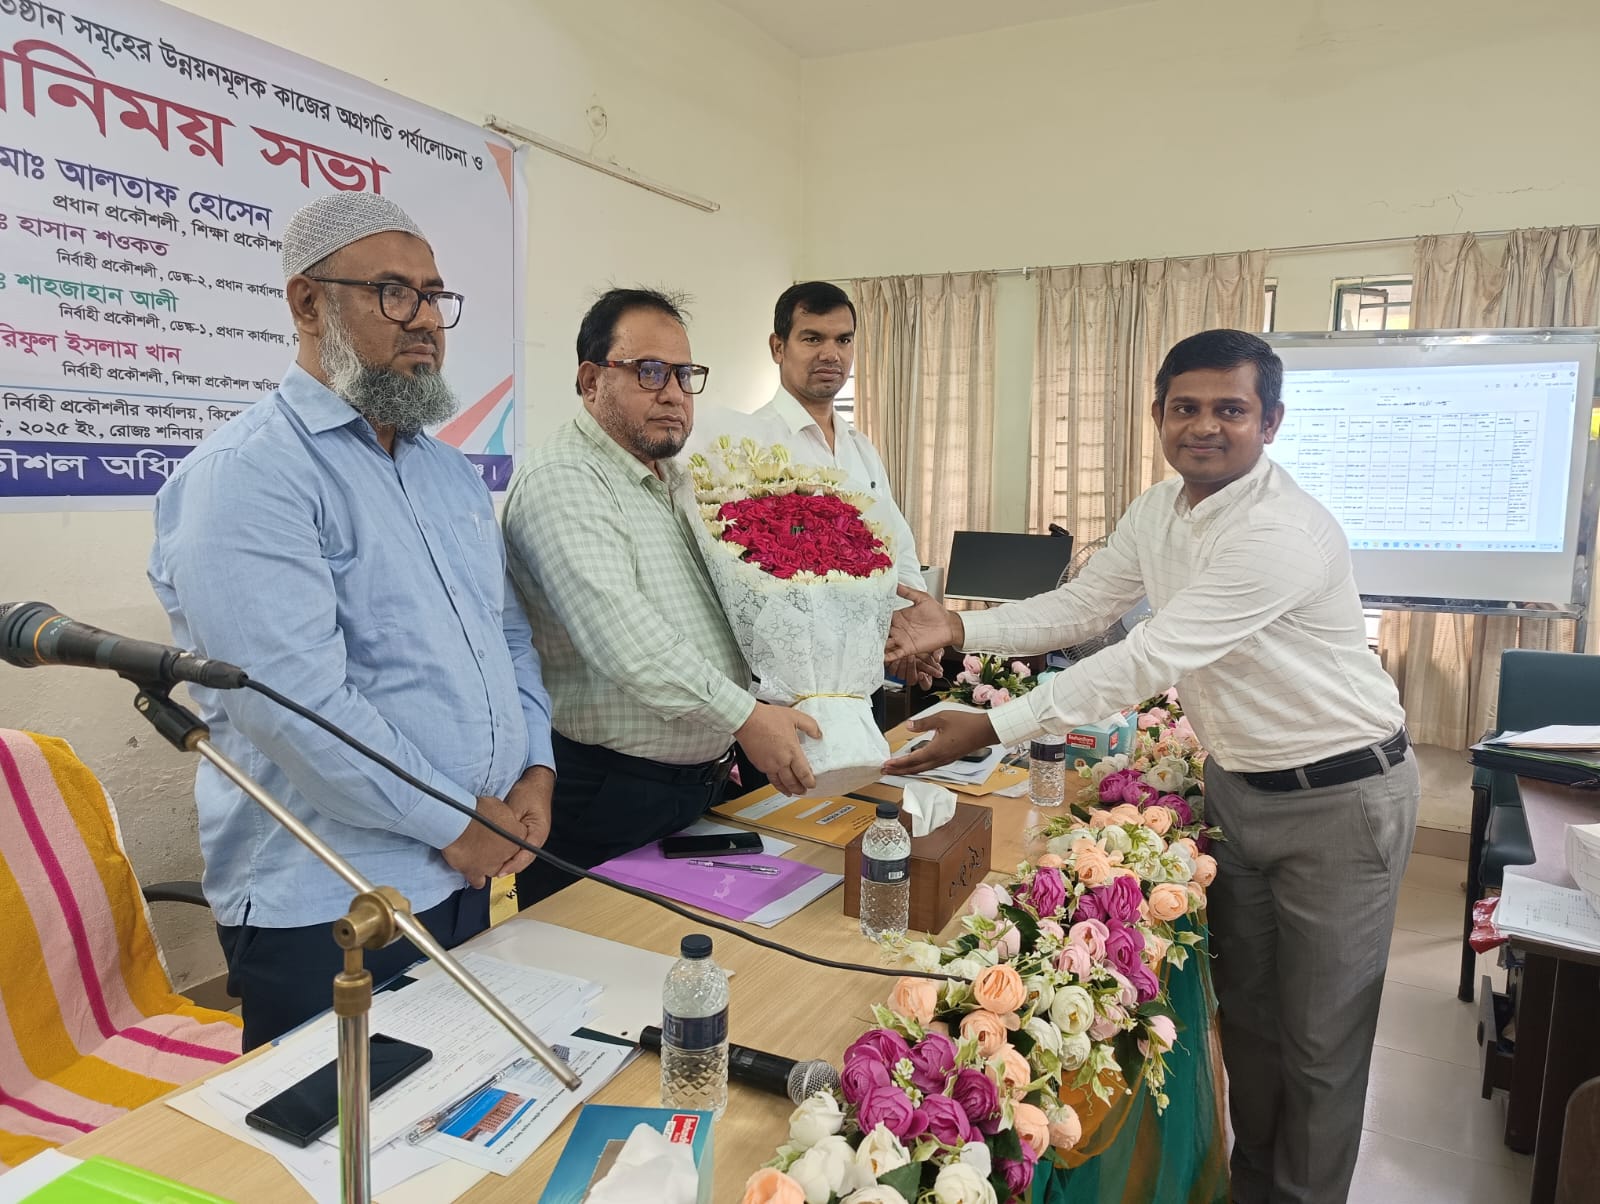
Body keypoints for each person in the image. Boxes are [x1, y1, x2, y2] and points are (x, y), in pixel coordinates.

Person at [884, 328, 1418, 1204]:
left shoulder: (1282, 530)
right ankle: (1254, 1187)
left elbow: (1149, 656)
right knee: (1250, 1023)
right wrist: (962, 626)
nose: (1204, 426)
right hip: (1239, 789)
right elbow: (1085, 605)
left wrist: (991, 726)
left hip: (1342, 797)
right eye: (1185, 408)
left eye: (1230, 409)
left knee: (1322, 1044)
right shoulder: (1159, 510)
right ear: (1158, 415)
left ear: (1272, 422)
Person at [149, 193, 555, 1049]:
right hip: (328, 900)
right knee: (346, 1129)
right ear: (308, 304)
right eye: (394, 293)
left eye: (435, 296)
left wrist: (536, 771)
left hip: (471, 866)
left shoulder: (449, 473)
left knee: (466, 1106)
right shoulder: (247, 475)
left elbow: (509, 637)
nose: (427, 321)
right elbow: (295, 707)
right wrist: (457, 823)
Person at [502, 287, 821, 907]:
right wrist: (747, 717)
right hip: (608, 795)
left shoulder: (677, 477)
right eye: (650, 372)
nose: (674, 393)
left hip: (694, 785)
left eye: (684, 374)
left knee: (695, 951)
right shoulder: (564, 480)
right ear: (590, 381)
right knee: (600, 951)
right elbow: (627, 643)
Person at [690, 280, 938, 687]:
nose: (831, 354)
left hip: (864, 668)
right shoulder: (748, 448)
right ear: (778, 347)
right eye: (812, 338)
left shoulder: (860, 448)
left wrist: (909, 625)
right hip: (789, 680)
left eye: (844, 340)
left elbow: (897, 543)